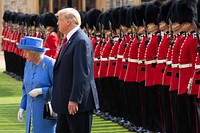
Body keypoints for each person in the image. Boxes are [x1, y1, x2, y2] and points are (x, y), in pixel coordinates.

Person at [52, 8, 99, 133]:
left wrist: (74, 99)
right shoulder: (70, 40)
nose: (57, 23)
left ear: (69, 22)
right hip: (65, 101)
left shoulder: (81, 41)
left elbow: (82, 74)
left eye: (60, 20)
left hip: (77, 104)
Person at [17, 36, 56, 133]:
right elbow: (25, 88)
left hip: (46, 113)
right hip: (31, 113)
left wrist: (41, 91)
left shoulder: (50, 64)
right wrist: (22, 107)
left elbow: (59, 89)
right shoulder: (28, 64)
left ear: (34, 52)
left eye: (26, 51)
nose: (24, 54)